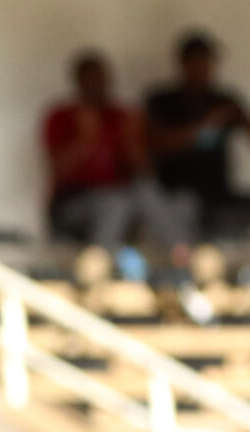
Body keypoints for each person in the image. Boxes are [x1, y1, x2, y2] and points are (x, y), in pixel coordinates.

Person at [42, 52, 191, 269]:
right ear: (78, 81)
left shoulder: (121, 116)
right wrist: (85, 139)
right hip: (73, 205)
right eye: (91, 79)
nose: (98, 85)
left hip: (122, 201)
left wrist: (134, 144)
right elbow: (57, 171)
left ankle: (185, 257)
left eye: (102, 79)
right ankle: (99, 265)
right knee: (115, 203)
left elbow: (146, 173)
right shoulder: (61, 116)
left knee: (149, 193)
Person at [144, 32, 250, 246]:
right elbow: (155, 144)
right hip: (176, 197)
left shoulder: (224, 101)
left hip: (220, 197)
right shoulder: (163, 101)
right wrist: (205, 128)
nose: (205, 69)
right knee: (184, 204)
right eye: (199, 62)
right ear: (184, 64)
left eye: (209, 62)